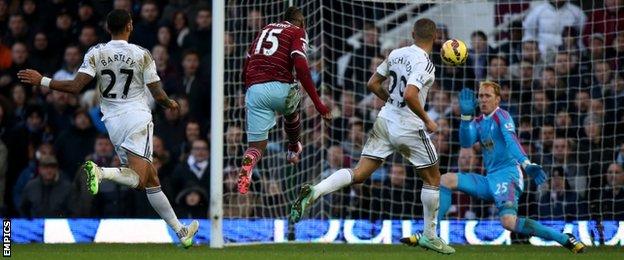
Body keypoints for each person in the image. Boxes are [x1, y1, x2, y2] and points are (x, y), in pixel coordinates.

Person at [16, 9, 198, 248]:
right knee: (142, 177)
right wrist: (170, 104)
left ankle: (181, 231)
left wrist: (43, 80)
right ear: (130, 26)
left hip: (112, 121)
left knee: (151, 180)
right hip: (136, 118)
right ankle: (101, 172)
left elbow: (75, 86)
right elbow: (157, 93)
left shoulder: (96, 52)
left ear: (107, 28)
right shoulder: (141, 54)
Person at [290, 18, 454, 254]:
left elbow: (373, 83)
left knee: (359, 173)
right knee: (433, 178)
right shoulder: (426, 63)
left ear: (412, 33)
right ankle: (429, 235)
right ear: (436, 37)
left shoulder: (397, 53)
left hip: (385, 120)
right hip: (409, 125)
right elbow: (410, 94)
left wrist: (390, 100)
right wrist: (428, 119)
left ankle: (316, 191)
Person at [436, 82, 585, 253]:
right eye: (481, 96)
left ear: (497, 99)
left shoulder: (502, 116)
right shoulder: (478, 122)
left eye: (487, 96)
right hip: (489, 179)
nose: (483, 100)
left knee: (508, 222)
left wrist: (526, 163)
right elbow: (466, 142)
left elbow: (512, 141)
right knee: (446, 179)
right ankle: (431, 233)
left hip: (508, 175)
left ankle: (564, 238)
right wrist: (465, 117)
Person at [237, 6, 332, 194]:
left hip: (254, 89)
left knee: (256, 147)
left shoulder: (265, 29)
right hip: (281, 87)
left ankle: (247, 166)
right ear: (302, 23)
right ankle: (293, 147)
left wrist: (246, 88)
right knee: (292, 109)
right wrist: (318, 104)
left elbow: (247, 62)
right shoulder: (298, 31)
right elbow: (301, 65)